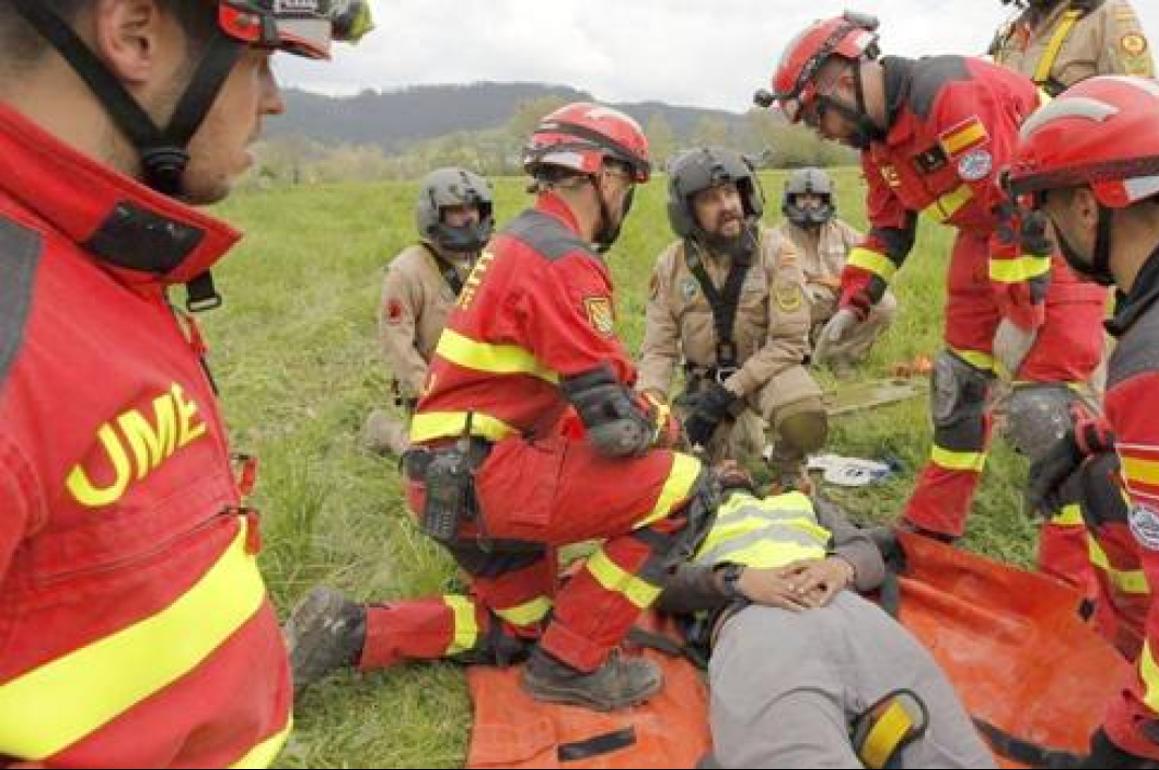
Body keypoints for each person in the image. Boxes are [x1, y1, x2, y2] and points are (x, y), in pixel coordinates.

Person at [0, 0, 369, 765]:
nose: (273, 100)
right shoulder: (16, 317)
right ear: (135, 34)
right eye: (260, 61)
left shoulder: (92, 258)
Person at [284, 103, 712, 713]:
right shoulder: (563, 257)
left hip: (443, 482)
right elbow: (617, 427)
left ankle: (353, 630)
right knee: (690, 492)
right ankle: (572, 667)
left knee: (520, 630)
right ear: (606, 177)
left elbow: (547, 399)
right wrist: (669, 427)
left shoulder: (512, 243)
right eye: (627, 185)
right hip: (490, 479)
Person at [757, 13, 1107, 592]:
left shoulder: (951, 97)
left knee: (1046, 415)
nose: (824, 133)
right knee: (959, 391)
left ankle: (1075, 579)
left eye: (819, 114)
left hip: (1055, 221)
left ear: (844, 77)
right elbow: (889, 228)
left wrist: (1022, 315)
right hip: (985, 233)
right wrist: (854, 302)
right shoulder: (879, 142)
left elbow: (1018, 205)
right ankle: (933, 527)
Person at [1011, 76, 1159, 768]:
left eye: (1046, 212)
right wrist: (1095, 438)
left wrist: (1122, 749)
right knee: (1108, 483)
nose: (1047, 236)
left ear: (1086, 208)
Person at [658, 467, 994, 768]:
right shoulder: (690, 518)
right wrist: (736, 579)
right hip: (757, 621)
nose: (731, 465)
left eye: (737, 463)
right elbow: (654, 583)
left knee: (953, 749)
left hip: (846, 611)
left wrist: (840, 566)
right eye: (721, 465)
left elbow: (865, 548)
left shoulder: (800, 504)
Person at [637, 146, 827, 491]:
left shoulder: (777, 252)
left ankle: (788, 470)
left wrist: (728, 392)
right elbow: (658, 351)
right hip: (701, 386)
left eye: (730, 192)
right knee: (665, 463)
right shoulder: (669, 265)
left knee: (803, 415)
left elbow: (790, 343)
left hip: (762, 378)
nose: (727, 205)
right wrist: (650, 406)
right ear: (686, 212)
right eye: (710, 199)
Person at [363, 167, 494, 456]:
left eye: (473, 208)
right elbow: (398, 347)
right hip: (433, 389)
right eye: (456, 210)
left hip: (483, 384)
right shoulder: (407, 272)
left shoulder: (493, 261)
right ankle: (386, 431)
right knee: (439, 461)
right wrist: (432, 393)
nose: (469, 216)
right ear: (434, 215)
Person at [778, 167, 897, 371]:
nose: (808, 203)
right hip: (806, 304)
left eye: (814, 198)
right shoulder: (777, 237)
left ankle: (842, 356)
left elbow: (871, 260)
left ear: (826, 200)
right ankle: (800, 357)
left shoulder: (842, 231)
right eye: (801, 198)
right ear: (791, 200)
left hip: (842, 299)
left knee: (885, 303)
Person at [989, 0, 1154, 97]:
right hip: (1018, 152)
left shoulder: (1107, 14)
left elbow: (1139, 102)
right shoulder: (1011, 37)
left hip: (1085, 151)